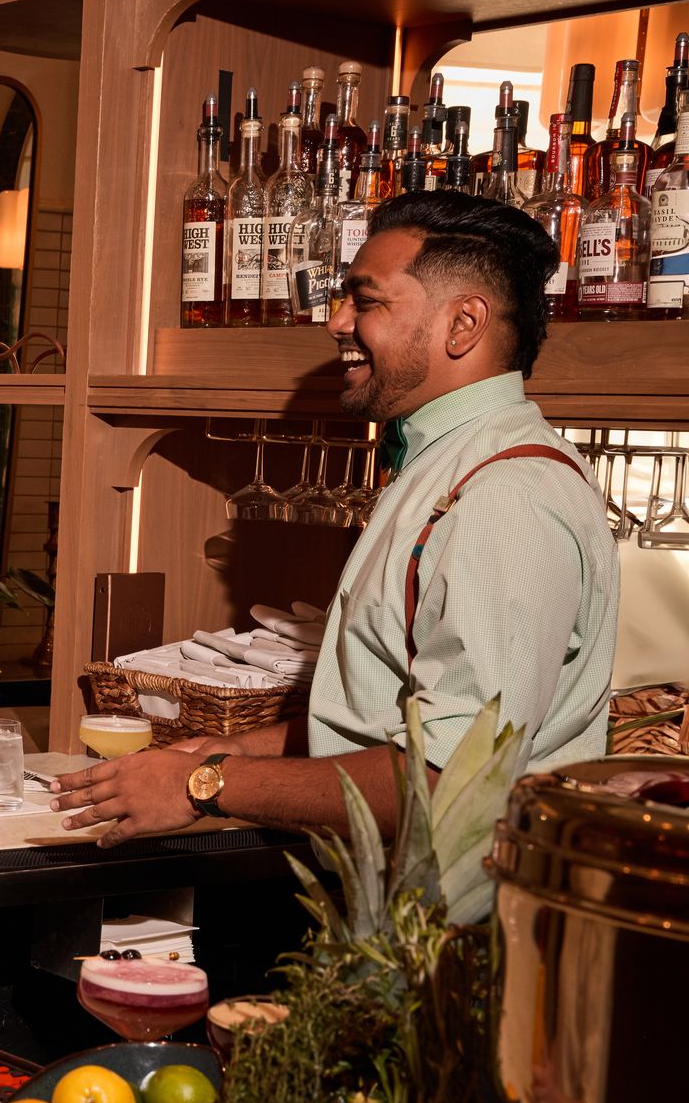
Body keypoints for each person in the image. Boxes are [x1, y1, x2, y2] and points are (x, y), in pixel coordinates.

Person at [55, 191, 618, 846]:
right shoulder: (449, 464)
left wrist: (204, 785)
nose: (337, 322)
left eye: (367, 300)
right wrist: (238, 751)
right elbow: (395, 717)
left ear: (464, 324)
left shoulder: (504, 497)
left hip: (449, 940)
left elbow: (451, 780)